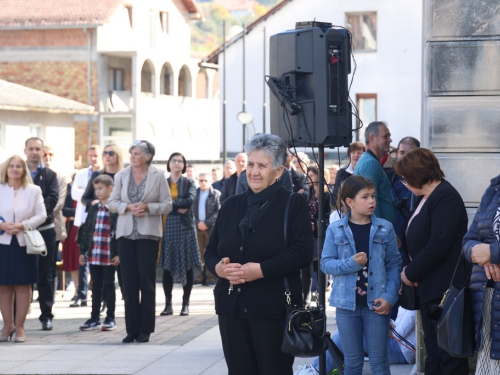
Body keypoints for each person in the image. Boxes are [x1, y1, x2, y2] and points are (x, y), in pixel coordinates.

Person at [204, 133, 313, 375]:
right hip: (231, 307)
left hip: (272, 308)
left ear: (278, 171)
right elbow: (211, 250)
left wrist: (260, 271)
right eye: (251, 164)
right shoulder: (231, 204)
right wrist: (218, 269)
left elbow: (303, 252)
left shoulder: (292, 204)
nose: (254, 171)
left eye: (262, 166)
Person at [396, 148, 470, 375]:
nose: (403, 182)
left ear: (417, 174)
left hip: (445, 289)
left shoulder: (445, 196)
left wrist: (410, 273)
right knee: (434, 355)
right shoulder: (425, 197)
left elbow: (438, 244)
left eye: (405, 177)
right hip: (430, 290)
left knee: (449, 356)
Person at [320, 175, 401, 375]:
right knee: (353, 363)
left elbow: (394, 265)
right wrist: (351, 264)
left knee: (379, 363)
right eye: (365, 197)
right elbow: (325, 264)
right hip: (347, 306)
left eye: (373, 196)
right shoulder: (335, 229)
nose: (372, 201)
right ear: (350, 202)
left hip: (377, 304)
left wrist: (390, 297)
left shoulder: (385, 227)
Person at [108, 140, 172, 344]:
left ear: (148, 156)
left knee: (146, 282)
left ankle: (145, 329)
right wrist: (127, 207)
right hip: (125, 234)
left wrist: (147, 207)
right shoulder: (121, 175)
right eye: (131, 153)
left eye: (137, 153)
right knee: (128, 283)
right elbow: (111, 203)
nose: (132, 157)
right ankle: (131, 329)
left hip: (148, 235)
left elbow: (167, 205)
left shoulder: (159, 175)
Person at [0, 155, 47, 342]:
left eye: (18, 166)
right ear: (6, 169)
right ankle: (7, 326)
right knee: (3, 286)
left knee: (23, 285)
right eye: (11, 166)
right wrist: (2, 226)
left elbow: (42, 215)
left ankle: (20, 328)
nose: (15, 169)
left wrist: (23, 225)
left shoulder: (33, 190)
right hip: (2, 242)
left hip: (23, 242)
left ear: (24, 169)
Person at [295, 307, 416, 374]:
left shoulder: (413, 307)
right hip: (398, 345)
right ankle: (317, 368)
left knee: (345, 335)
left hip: (401, 350)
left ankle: (315, 370)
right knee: (346, 332)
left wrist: (382, 325)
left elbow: (399, 334)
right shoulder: (409, 301)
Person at [462, 174, 500, 374]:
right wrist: (479, 253)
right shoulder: (494, 189)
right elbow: (469, 239)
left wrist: (492, 253)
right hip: (489, 299)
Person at [158, 152, 202, 317]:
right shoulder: (163, 182)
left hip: (186, 228)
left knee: (188, 265)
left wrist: (170, 205)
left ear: (184, 165)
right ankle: (168, 305)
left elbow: (189, 200)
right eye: (174, 160)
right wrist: (177, 206)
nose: (176, 163)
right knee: (167, 267)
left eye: (180, 161)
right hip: (167, 226)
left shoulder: (189, 182)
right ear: (169, 164)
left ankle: (185, 304)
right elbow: (159, 202)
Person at [24, 137, 59, 331]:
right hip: (21, 232)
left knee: (45, 274)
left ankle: (46, 315)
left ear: (42, 152)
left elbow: (52, 199)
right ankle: (16, 316)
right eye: (31, 148)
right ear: (25, 150)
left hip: (44, 231)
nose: (34, 152)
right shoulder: (16, 173)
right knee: (21, 275)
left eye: (38, 149)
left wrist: (32, 217)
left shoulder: (50, 175)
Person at [77, 175, 119, 332]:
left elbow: (119, 232)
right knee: (95, 286)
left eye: (100, 188)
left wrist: (119, 253)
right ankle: (94, 317)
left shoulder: (115, 209)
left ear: (110, 189)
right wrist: (83, 251)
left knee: (109, 285)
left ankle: (110, 317)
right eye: (95, 189)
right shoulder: (94, 208)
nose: (97, 192)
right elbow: (87, 231)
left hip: (109, 254)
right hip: (95, 253)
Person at [70, 145, 102, 308]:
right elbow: (74, 193)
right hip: (84, 219)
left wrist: (87, 192)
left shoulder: (104, 173)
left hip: (101, 220)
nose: (93, 158)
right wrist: (91, 193)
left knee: (99, 258)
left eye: (96, 155)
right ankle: (81, 294)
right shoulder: (82, 173)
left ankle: (98, 294)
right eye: (91, 155)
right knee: (83, 257)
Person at [354, 122, 397, 226]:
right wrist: (380, 232)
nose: (390, 140)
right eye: (385, 136)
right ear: (372, 138)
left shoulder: (371, 161)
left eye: (389, 136)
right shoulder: (370, 163)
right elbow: (370, 203)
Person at [42, 145, 68, 296]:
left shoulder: (60, 176)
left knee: (51, 263)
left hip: (53, 224)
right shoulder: (30, 174)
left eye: (51, 154)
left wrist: (39, 215)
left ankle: (49, 296)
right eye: (45, 154)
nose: (48, 157)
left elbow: (59, 202)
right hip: (31, 225)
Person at [306, 165, 332, 301]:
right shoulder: (308, 192)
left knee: (320, 262)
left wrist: (316, 224)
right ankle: (311, 291)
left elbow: (329, 214)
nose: (309, 178)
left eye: (312, 175)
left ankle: (320, 291)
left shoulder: (327, 194)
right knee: (310, 263)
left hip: (321, 233)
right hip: (308, 233)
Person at [193, 172, 221, 286]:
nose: (203, 183)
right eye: (201, 180)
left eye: (205, 180)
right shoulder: (194, 193)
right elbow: (190, 212)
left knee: (211, 253)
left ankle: (212, 278)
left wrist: (207, 223)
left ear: (210, 181)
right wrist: (197, 223)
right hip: (197, 229)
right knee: (197, 254)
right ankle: (198, 278)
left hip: (211, 229)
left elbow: (218, 211)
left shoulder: (216, 194)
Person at [331, 141, 365, 207]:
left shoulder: (366, 172)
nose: (356, 155)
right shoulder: (341, 173)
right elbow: (335, 195)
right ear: (349, 155)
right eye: (353, 153)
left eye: (359, 153)